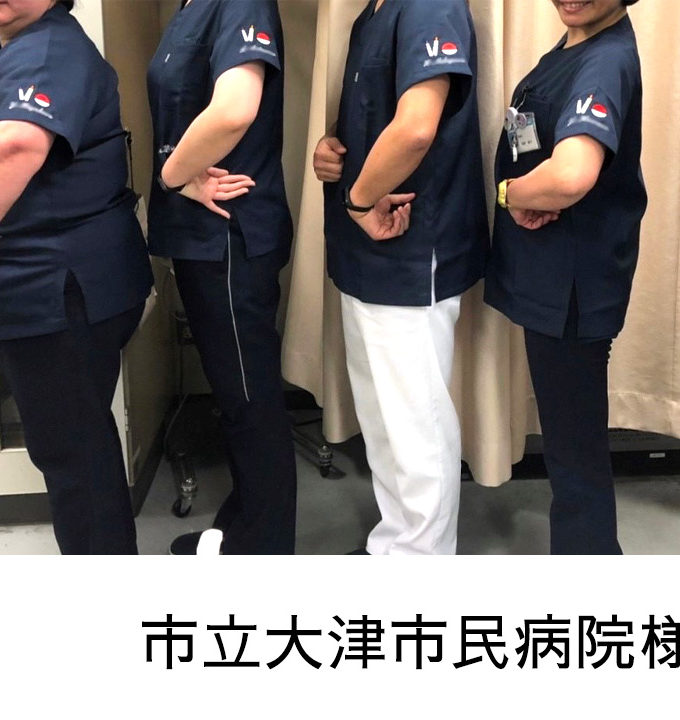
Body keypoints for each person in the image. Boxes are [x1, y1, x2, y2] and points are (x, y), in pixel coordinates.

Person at [0, 0, 154, 554]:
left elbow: (13, 143)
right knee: (76, 443)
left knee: (74, 455)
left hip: (57, 286)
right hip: (46, 284)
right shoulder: (10, 45)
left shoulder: (49, 49)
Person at [313, 0, 488, 555]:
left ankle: (421, 561)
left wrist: (359, 201)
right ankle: (394, 545)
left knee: (416, 429)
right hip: (367, 254)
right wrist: (331, 149)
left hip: (410, 246)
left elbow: (415, 129)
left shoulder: (429, 7)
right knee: (384, 424)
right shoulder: (372, 14)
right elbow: (376, 119)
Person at [484, 0, 646, 554]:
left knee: (575, 454)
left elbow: (571, 175)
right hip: (554, 277)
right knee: (569, 443)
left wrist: (510, 194)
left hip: (572, 285)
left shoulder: (605, 59)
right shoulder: (575, 45)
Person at [147, 0, 296, 555]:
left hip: (229, 236)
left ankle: (262, 551)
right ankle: (242, 528)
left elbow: (235, 109)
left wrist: (170, 177)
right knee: (237, 396)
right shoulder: (193, 7)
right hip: (203, 236)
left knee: (249, 401)